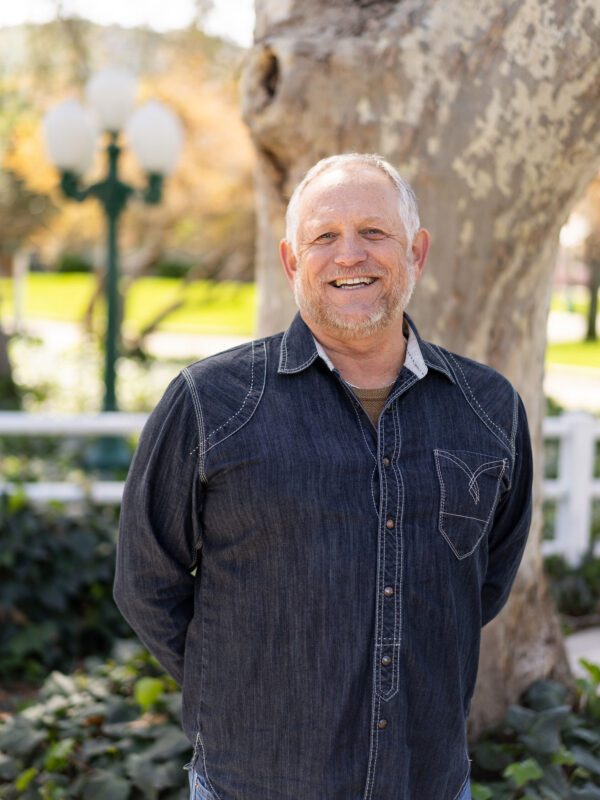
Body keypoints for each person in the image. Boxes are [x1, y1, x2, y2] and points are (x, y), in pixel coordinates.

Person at [114, 153, 533, 800]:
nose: (349, 256)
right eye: (324, 237)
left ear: (416, 252)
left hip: (428, 782)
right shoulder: (210, 402)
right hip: (253, 782)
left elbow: (484, 580)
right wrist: (240, 690)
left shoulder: (488, 406)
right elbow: (147, 582)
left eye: (374, 232)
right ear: (290, 261)